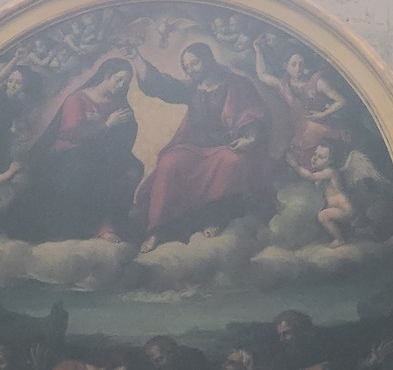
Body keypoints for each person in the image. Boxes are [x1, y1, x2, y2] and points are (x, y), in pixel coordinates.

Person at [127, 42, 271, 251]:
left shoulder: (237, 85)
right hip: (192, 147)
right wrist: (136, 57)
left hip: (225, 146)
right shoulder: (191, 88)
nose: (190, 69)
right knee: (169, 163)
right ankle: (158, 230)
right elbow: (160, 85)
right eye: (186, 66)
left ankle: (215, 219)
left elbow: (254, 111)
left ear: (208, 60)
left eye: (194, 63)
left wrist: (249, 138)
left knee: (232, 162)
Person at [4, 57, 143, 243]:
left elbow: (128, 131)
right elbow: (71, 133)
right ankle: (95, 227)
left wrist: (119, 126)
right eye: (118, 80)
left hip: (105, 153)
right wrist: (106, 124)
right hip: (68, 154)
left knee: (134, 170)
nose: (121, 86)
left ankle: (114, 222)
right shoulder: (77, 99)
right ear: (106, 75)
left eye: (125, 83)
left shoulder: (119, 103)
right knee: (90, 169)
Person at [254, 38, 350, 167]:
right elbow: (262, 75)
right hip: (300, 128)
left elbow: (341, 101)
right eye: (293, 64)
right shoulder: (284, 84)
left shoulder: (317, 82)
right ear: (285, 66)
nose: (298, 68)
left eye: (301, 64)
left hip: (320, 127)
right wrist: (258, 51)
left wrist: (323, 114)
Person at [286, 141, 353, 246]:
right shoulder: (322, 176)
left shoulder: (330, 172)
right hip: (338, 208)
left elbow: (310, 176)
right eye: (315, 154)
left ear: (330, 160)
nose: (315, 158)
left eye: (321, 157)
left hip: (344, 209)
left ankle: (340, 239)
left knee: (322, 216)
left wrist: (296, 166)